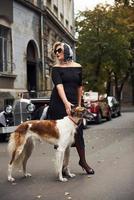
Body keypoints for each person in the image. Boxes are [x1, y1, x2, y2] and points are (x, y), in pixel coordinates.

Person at [47, 41, 94, 175]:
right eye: (55, 51)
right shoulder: (55, 68)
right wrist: (66, 103)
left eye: (59, 50)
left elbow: (79, 86)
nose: (57, 53)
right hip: (58, 103)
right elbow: (59, 86)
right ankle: (61, 167)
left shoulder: (78, 67)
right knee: (60, 136)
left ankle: (83, 162)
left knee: (78, 134)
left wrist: (78, 104)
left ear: (67, 51)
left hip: (74, 102)